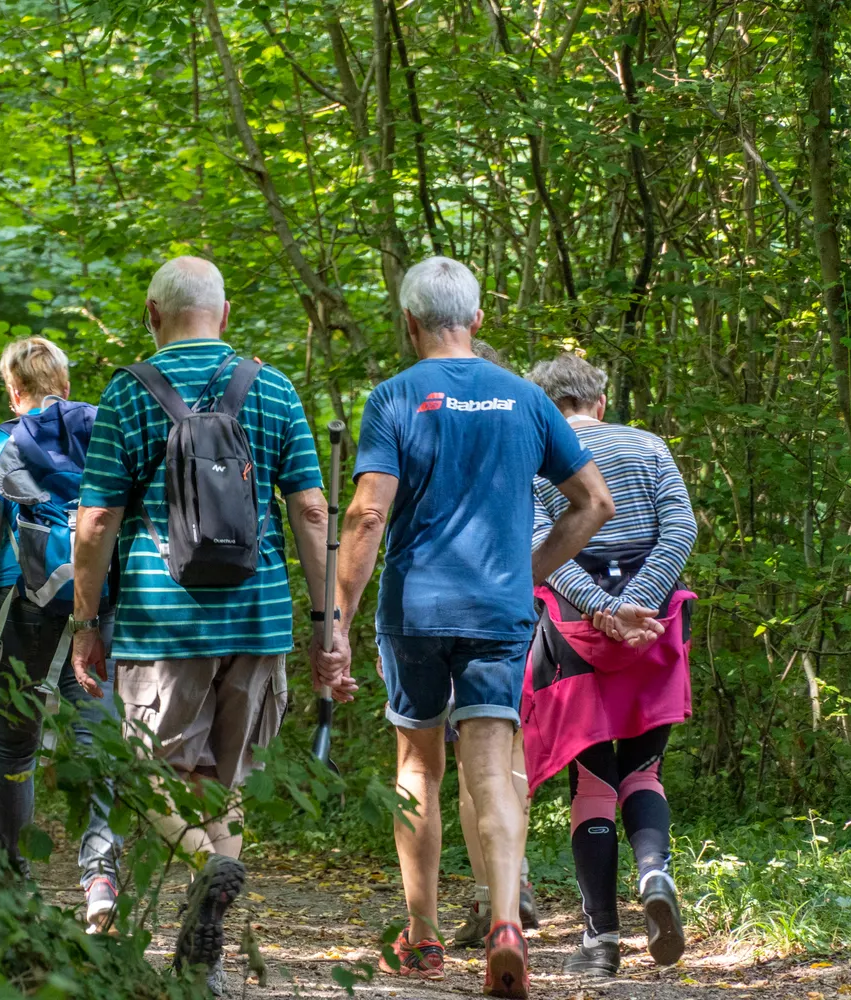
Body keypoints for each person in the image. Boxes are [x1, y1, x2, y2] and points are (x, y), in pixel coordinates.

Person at [318, 257, 615, 999]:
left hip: (416, 608)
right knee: (492, 765)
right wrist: (531, 569)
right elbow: (594, 503)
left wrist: (338, 620)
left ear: (409, 322)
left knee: (419, 766)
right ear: (477, 320)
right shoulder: (524, 397)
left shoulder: (395, 397)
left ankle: (420, 939)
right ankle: (506, 923)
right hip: (498, 610)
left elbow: (366, 513)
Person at [68, 256, 339, 995]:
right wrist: (327, 626)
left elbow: (95, 521)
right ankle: (208, 961)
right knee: (228, 781)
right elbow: (312, 512)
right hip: (258, 622)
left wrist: (85, 621)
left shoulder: (128, 393)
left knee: (150, 774)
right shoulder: (273, 388)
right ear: (223, 316)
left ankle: (202, 861)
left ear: (153, 315)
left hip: (162, 625)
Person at [524, 352, 698, 977]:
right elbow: (680, 531)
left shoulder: (539, 457)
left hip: (573, 634)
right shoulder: (649, 446)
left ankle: (600, 945)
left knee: (592, 785)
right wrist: (639, 606)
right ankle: (655, 873)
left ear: (545, 407)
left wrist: (600, 611)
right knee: (644, 774)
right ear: (599, 401)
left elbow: (543, 546)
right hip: (655, 634)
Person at [0, 336, 123, 933]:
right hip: (94, 605)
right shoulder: (104, 431)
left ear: (13, 390)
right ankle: (100, 876)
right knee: (96, 737)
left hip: (14, 599)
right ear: (65, 385)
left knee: (13, 745)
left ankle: (13, 876)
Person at [450, 339, 540, 949]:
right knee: (510, 750)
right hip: (516, 605)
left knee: (468, 764)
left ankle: (492, 898)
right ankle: (519, 883)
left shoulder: (428, 424)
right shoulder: (521, 426)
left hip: (448, 603)